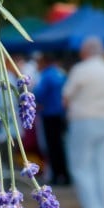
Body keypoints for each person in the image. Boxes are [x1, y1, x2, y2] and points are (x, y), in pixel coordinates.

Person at [62, 36, 104, 208]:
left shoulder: (81, 70)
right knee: (100, 166)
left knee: (81, 167)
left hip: (84, 121)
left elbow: (67, 96)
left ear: (85, 51)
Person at [35, 52, 70, 184]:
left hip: (49, 115)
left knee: (52, 146)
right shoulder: (60, 73)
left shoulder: (46, 75)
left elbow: (38, 94)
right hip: (61, 114)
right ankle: (65, 174)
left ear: (45, 62)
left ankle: (57, 175)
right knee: (61, 145)